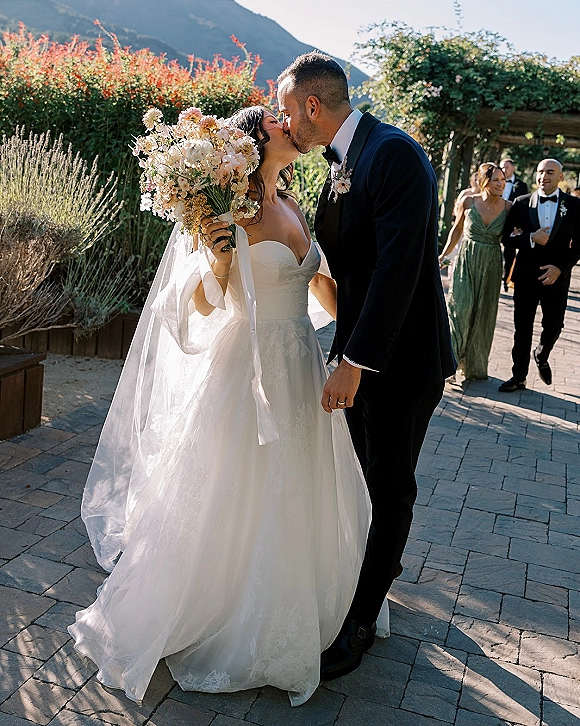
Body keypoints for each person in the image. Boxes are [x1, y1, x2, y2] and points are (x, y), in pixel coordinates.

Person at [68, 106, 371, 707]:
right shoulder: (223, 213)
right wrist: (222, 261)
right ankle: (225, 609)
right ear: (257, 141)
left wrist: (369, 343)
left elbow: (322, 291)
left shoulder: (294, 205)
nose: (294, 124)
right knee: (236, 487)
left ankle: (295, 602)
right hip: (247, 368)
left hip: (300, 369)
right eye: (282, 120)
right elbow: (198, 307)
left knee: (297, 488)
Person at [277, 52, 455, 682]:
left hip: (401, 362)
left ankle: (360, 622)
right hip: (359, 354)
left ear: (310, 106)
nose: (283, 119)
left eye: (285, 108)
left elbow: (399, 268)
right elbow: (348, 265)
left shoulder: (394, 154)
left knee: (388, 483)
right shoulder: (342, 164)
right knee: (360, 480)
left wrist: (353, 361)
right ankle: (376, 569)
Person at [499, 158, 580, 392]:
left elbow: (578, 245)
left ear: (560, 177)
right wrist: (531, 238)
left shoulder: (574, 206)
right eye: (541, 171)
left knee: (554, 324)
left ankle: (542, 353)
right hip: (525, 276)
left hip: (557, 277)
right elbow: (507, 239)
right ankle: (519, 377)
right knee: (522, 328)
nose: (544, 176)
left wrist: (560, 268)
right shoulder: (521, 203)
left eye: (550, 172)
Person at [439, 163, 511, 381]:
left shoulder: (509, 207)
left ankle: (473, 366)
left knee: (483, 314)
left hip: (491, 264)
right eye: (496, 180)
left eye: (503, 180)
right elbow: (457, 230)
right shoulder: (469, 201)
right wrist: (443, 256)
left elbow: (513, 238)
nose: (501, 184)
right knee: (459, 308)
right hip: (466, 261)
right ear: (484, 181)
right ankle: (450, 364)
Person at [499, 158, 529, 291]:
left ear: (513, 169)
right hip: (496, 218)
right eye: (502, 167)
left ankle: (506, 278)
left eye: (506, 167)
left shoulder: (521, 185)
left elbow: (523, 206)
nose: (504, 170)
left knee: (509, 251)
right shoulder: (497, 182)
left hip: (512, 222)